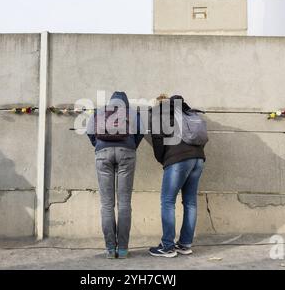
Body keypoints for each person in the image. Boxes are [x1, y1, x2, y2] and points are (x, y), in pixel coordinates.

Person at [86, 91, 144, 259]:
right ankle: (124, 249)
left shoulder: (99, 111)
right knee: (124, 203)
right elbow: (140, 133)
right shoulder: (132, 112)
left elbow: (90, 131)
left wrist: (98, 145)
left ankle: (111, 249)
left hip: (102, 153)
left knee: (106, 204)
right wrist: (132, 145)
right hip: (127, 152)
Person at [149, 95, 207, 258]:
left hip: (178, 161)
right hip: (198, 159)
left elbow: (157, 141)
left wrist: (165, 160)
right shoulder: (190, 113)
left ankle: (167, 246)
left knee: (167, 201)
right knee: (190, 202)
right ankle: (185, 244)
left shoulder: (159, 113)